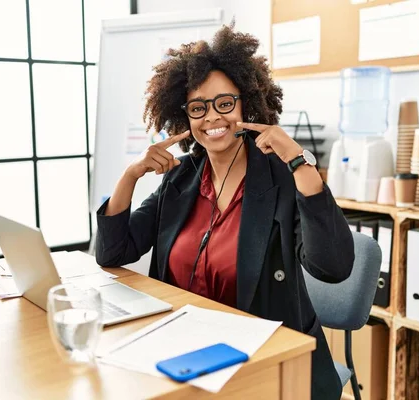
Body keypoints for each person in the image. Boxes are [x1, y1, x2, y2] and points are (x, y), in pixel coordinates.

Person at [95, 23, 354, 400]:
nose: (212, 117)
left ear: (247, 102)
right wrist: (132, 175)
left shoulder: (282, 178)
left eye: (225, 103)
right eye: (198, 107)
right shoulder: (181, 179)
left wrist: (300, 162)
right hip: (187, 353)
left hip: (267, 361)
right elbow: (113, 253)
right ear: (186, 117)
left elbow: (332, 267)